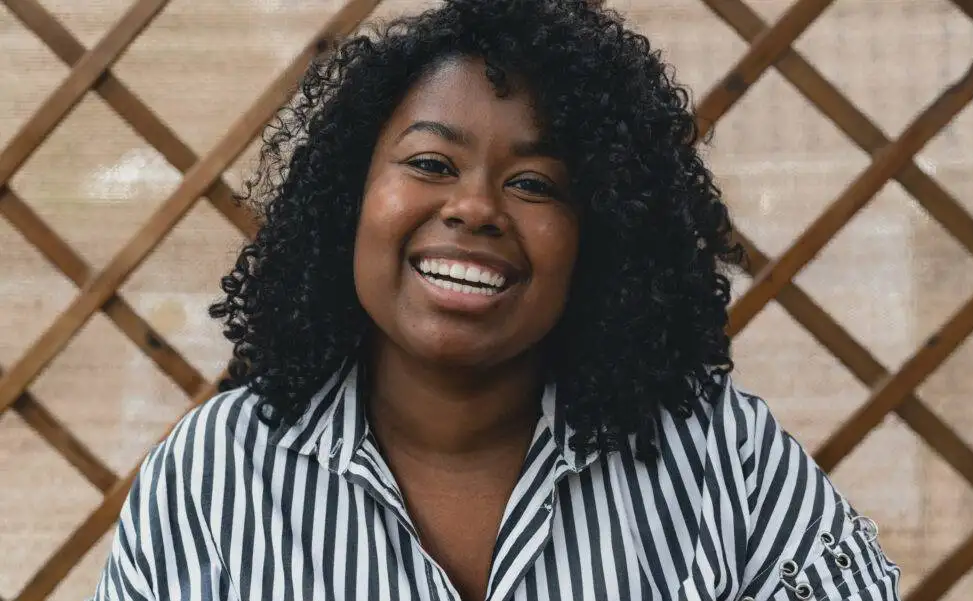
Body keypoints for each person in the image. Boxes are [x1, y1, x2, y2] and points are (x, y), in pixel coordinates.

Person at [91, 1, 902, 599]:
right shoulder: (213, 477)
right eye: (432, 165)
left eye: (534, 183)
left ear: (604, 236)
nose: (475, 208)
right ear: (348, 199)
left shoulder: (724, 460)